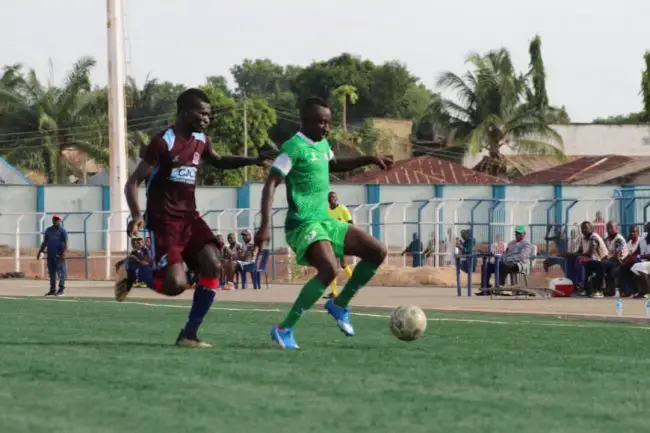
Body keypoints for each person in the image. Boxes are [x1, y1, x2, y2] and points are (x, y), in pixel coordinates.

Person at [115, 88, 269, 348]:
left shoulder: (201, 140)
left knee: (213, 264)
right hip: (164, 221)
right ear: (186, 112)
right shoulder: (164, 141)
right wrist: (137, 214)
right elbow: (132, 183)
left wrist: (253, 160)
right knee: (175, 285)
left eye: (209, 115)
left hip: (190, 217)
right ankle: (133, 269)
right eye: (203, 113)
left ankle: (189, 334)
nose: (207, 119)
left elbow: (219, 161)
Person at [255, 97, 393, 350]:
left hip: (325, 221)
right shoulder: (293, 147)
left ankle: (339, 305)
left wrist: (369, 158)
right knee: (329, 269)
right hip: (303, 223)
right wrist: (264, 226)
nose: (326, 128)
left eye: (328, 122)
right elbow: (271, 183)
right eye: (321, 122)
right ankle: (284, 329)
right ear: (305, 121)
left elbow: (334, 164)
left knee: (378, 251)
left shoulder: (322, 145)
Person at [479, 225, 533, 294]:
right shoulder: (511, 243)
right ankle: (485, 289)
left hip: (518, 264)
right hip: (506, 262)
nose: (517, 235)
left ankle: (499, 288)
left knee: (502, 265)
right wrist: (501, 258)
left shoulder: (527, 244)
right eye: (516, 233)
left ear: (524, 234)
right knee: (486, 266)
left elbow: (522, 256)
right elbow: (505, 253)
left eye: (519, 233)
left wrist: (507, 259)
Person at [324, 191, 354, 298]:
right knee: (333, 265)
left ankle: (354, 283)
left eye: (333, 197)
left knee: (342, 263)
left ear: (336, 199)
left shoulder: (342, 209)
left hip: (341, 239)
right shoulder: (327, 211)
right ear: (327, 200)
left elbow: (350, 223)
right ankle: (334, 292)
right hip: (331, 240)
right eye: (330, 197)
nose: (332, 198)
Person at [36, 215, 68, 296]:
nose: (55, 221)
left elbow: (66, 243)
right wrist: (40, 251)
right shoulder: (48, 230)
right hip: (50, 254)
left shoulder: (62, 231)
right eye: (54, 219)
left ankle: (61, 290)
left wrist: (63, 253)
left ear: (60, 221)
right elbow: (45, 242)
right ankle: (52, 290)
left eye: (57, 219)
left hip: (59, 255)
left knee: (61, 273)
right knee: (52, 273)